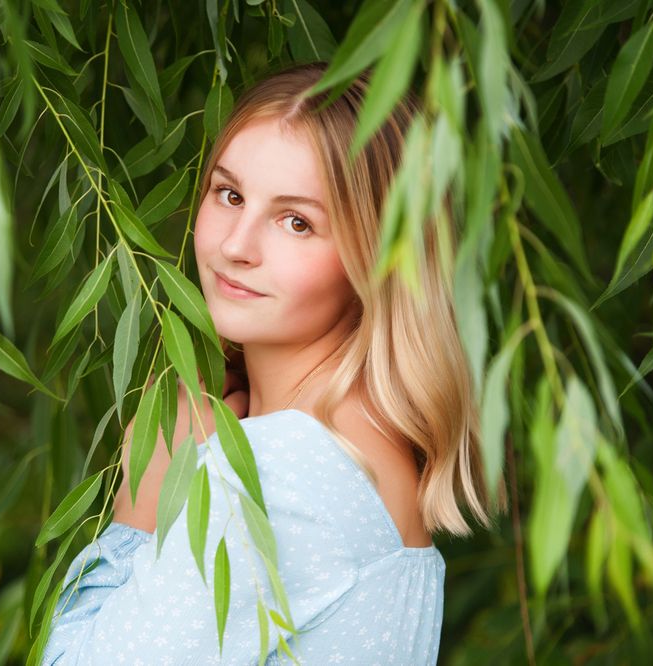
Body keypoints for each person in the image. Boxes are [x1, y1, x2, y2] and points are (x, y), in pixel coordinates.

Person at [40, 62, 499, 665]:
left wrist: (142, 505)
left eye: (297, 222)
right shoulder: (361, 454)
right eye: (230, 194)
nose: (236, 246)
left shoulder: (288, 475)